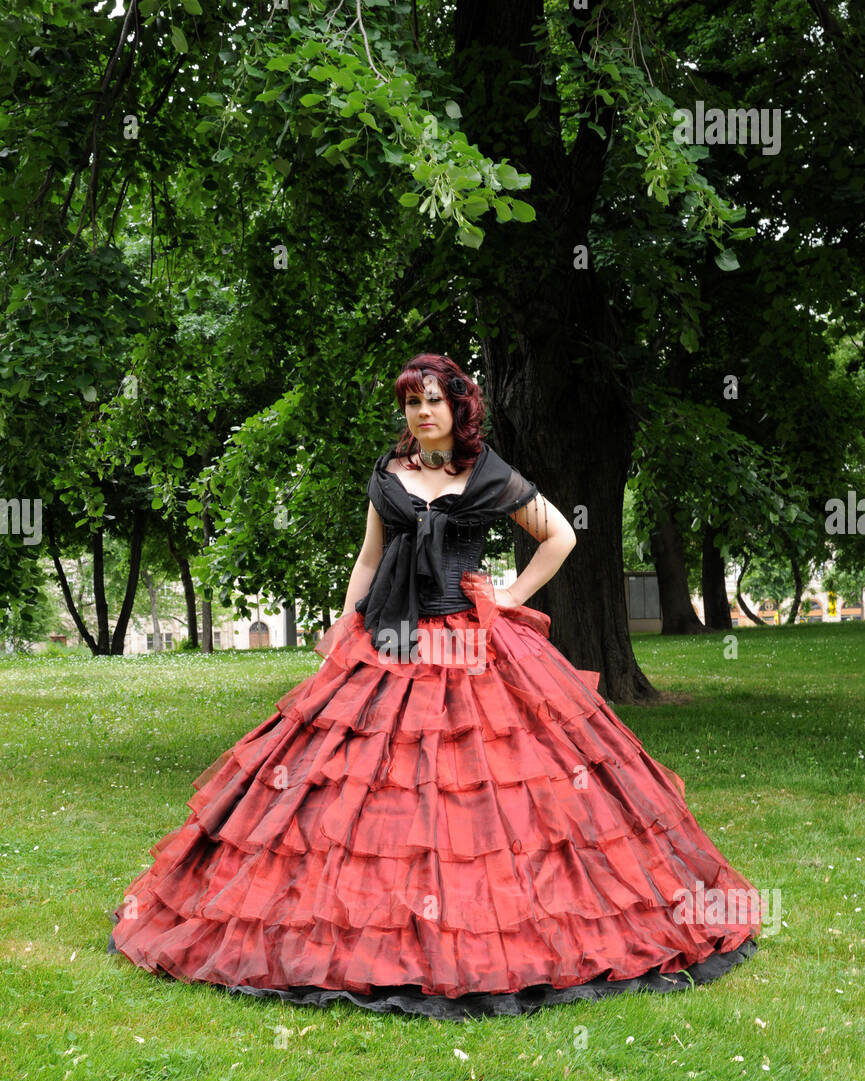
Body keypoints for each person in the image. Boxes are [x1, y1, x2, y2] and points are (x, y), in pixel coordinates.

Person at [107, 353, 761, 1019]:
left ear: (457, 408)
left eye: (433, 401)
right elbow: (369, 560)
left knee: (484, 780)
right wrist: (343, 630)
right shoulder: (387, 474)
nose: (422, 412)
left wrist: (510, 596)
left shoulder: (487, 473)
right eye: (412, 402)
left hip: (469, 640)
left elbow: (560, 535)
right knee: (359, 781)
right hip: (389, 638)